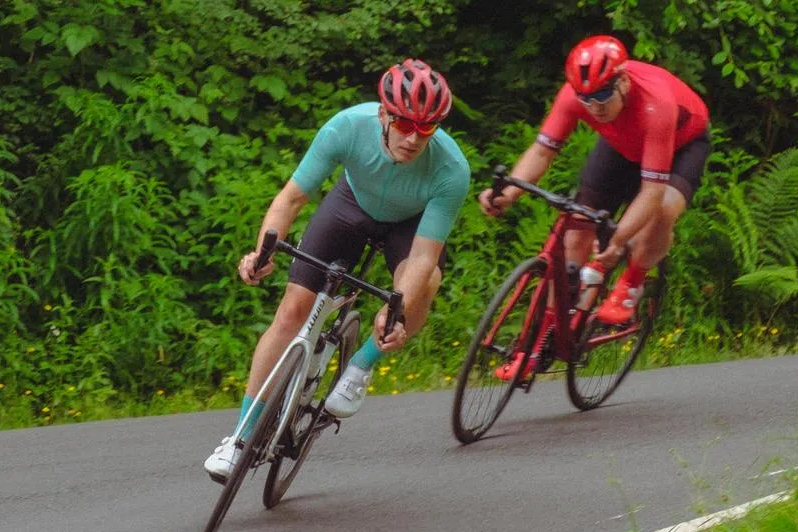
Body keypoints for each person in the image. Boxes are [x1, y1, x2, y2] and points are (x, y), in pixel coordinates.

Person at [204, 59, 471, 482]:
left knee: (426, 283)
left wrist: (396, 309)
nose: (414, 138)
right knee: (292, 311)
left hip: (409, 225)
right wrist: (262, 252)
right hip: (352, 206)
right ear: (384, 114)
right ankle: (240, 437)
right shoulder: (347, 127)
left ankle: (361, 365)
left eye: (428, 128)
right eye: (404, 124)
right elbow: (291, 198)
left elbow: (421, 258)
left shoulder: (451, 169)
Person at [478, 35, 710, 376]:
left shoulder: (655, 105)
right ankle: (539, 344)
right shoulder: (575, 96)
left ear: (624, 82)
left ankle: (632, 282)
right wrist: (509, 194)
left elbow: (650, 192)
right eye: (586, 98)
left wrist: (617, 244)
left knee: (661, 212)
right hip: (622, 144)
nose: (595, 106)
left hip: (681, 146)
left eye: (603, 95)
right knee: (574, 230)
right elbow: (542, 151)